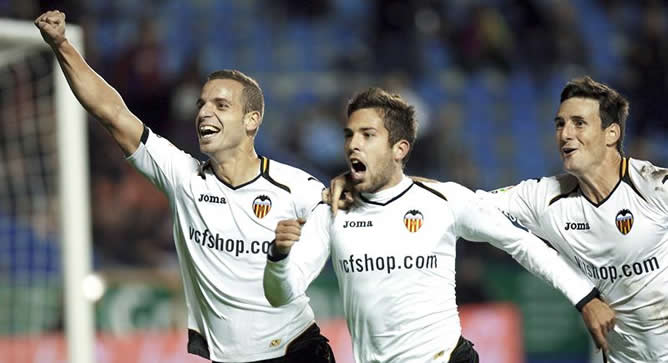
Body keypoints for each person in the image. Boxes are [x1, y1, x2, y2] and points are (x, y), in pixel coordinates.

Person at [35, 10, 334, 363]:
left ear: (252, 120)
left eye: (221, 105)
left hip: (295, 352)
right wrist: (62, 45)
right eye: (202, 104)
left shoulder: (297, 187)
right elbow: (113, 113)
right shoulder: (183, 177)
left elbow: (344, 216)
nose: (205, 112)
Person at [263, 88, 614, 362]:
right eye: (349, 134)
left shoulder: (443, 201)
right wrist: (278, 256)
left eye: (367, 134)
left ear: (399, 148)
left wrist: (585, 297)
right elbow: (281, 294)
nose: (353, 143)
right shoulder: (333, 211)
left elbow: (521, 243)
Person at [476, 77, 668, 363]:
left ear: (611, 134)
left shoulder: (654, 186)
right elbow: (464, 204)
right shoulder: (545, 198)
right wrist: (399, 184)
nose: (565, 134)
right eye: (559, 124)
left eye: (579, 123)